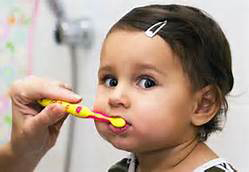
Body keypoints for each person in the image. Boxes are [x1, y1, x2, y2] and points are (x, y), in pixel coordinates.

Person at [0, 4, 237, 172]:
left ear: (203, 105)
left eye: (146, 82)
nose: (116, 97)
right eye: (110, 80)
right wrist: (22, 151)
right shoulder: (124, 168)